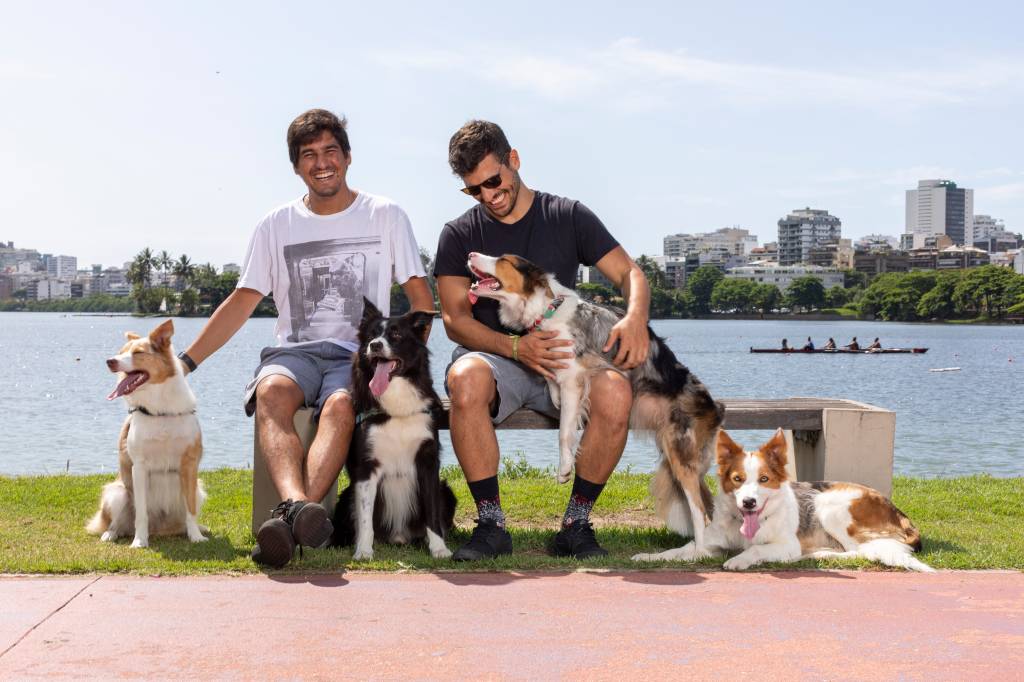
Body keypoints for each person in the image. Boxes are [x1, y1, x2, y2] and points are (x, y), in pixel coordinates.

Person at [179, 109, 433, 568]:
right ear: (297, 166)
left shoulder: (386, 215)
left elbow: (421, 297)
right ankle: (299, 510)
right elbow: (241, 302)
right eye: (309, 155)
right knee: (271, 391)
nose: (322, 163)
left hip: (355, 358)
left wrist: (404, 364)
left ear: (348, 157)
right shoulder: (276, 224)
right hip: (293, 353)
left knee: (338, 406)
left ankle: (290, 520)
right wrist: (187, 361)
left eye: (330, 151)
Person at [434, 120, 651, 560]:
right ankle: (491, 526)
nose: (489, 196)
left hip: (564, 358)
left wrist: (635, 318)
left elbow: (630, 273)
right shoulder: (457, 234)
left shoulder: (567, 216)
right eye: (475, 190)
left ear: (513, 161)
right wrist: (515, 347)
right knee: (465, 377)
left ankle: (576, 524)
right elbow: (455, 321)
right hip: (497, 359)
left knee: (615, 390)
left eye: (494, 181)